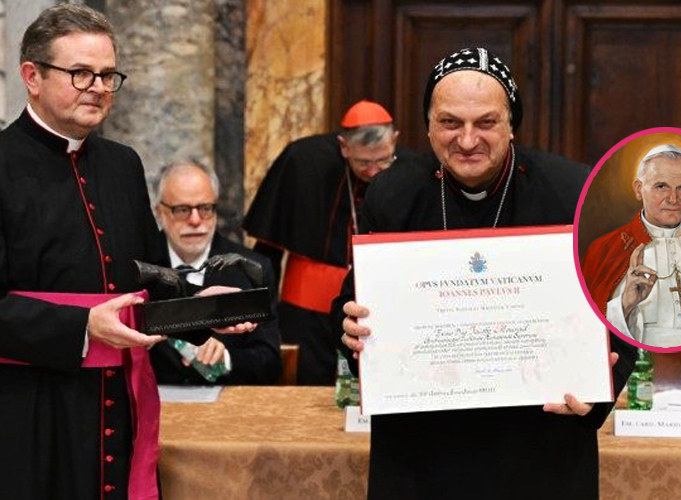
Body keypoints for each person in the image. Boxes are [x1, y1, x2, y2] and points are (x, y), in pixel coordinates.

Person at [335, 47, 636, 500]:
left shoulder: (574, 193)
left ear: (511, 124)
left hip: (539, 452)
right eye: (450, 122)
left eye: (486, 122)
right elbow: (350, 306)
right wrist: (351, 328)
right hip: (423, 455)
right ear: (427, 126)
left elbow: (622, 312)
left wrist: (598, 387)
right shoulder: (392, 194)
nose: (467, 140)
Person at [0, 6, 253, 500]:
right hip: (31, 410)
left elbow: (145, 280)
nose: (98, 87)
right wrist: (82, 326)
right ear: (32, 76)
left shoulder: (122, 164)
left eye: (107, 75)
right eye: (81, 73)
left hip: (117, 401)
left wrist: (202, 309)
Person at [243, 100, 414, 385]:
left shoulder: (410, 170)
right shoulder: (303, 161)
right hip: (306, 312)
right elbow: (268, 247)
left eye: (383, 160)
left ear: (394, 140)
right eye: (363, 162)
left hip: (376, 310)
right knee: (308, 391)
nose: (374, 172)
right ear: (344, 146)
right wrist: (260, 317)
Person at [581, 144, 681, 348]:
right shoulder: (605, 249)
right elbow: (583, 328)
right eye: (662, 186)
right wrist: (624, 304)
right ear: (639, 189)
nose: (673, 199)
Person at [148, 161, 282, 385]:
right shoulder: (138, 266)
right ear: (159, 213)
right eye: (182, 210)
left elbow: (270, 362)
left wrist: (225, 359)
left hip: (226, 399)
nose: (195, 220)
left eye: (205, 208)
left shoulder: (252, 269)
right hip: (153, 397)